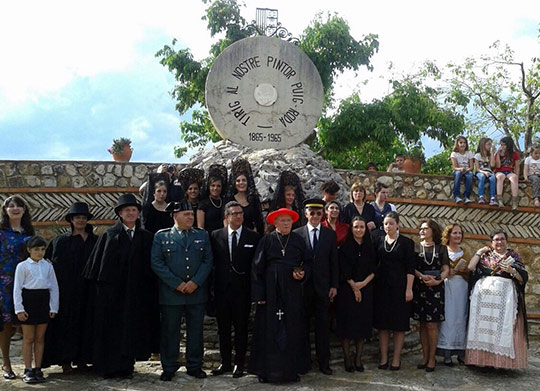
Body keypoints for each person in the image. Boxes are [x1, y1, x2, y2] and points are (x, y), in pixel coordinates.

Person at [83, 194, 159, 378]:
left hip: (135, 293)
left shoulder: (146, 237)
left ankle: (127, 366)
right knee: (111, 329)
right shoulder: (110, 235)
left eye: (134, 210)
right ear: (120, 213)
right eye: (127, 210)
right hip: (112, 294)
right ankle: (109, 367)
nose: (131, 213)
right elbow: (98, 267)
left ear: (138, 213)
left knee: (131, 328)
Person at [151, 201, 213, 381]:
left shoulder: (202, 235)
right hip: (171, 293)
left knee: (195, 331)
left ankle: (194, 365)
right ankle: (169, 366)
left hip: (196, 292)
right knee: (170, 331)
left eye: (192, 214)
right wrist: (177, 284)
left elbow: (207, 261)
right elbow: (156, 263)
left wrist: (195, 282)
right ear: (175, 216)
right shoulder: (161, 237)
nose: (190, 218)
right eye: (186, 214)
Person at [249, 208, 311, 383]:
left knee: (291, 329)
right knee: (269, 330)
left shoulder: (298, 240)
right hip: (270, 291)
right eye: (282, 221)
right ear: (275, 223)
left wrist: (303, 273)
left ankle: (291, 370)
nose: (286, 223)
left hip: (292, 290)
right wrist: (259, 294)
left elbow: (308, 262)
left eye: (288, 221)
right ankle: (267, 371)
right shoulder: (266, 241)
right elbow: (256, 268)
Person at [42, 202, 98, 373]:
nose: (80, 220)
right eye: (77, 217)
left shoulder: (96, 241)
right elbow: (49, 262)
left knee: (87, 324)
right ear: (71, 220)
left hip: (89, 291)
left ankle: (83, 360)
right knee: (66, 325)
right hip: (66, 292)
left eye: (83, 217)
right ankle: (65, 361)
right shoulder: (60, 241)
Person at [210, 201, 260, 378]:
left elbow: (256, 266)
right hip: (222, 291)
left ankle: (239, 363)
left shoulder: (253, 237)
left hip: (243, 292)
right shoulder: (215, 236)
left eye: (240, 213)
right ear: (226, 217)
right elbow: (212, 264)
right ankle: (225, 362)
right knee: (223, 329)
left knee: (241, 328)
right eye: (234, 213)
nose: (238, 216)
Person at [466, 228, 528, 369]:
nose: (499, 242)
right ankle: (482, 360)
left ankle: (501, 363)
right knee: (484, 328)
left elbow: (522, 278)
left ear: (506, 241)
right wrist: (480, 251)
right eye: (496, 239)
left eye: (502, 239)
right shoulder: (485, 257)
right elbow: (470, 268)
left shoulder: (514, 257)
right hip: (484, 299)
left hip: (506, 298)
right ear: (491, 242)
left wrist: (511, 271)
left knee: (503, 329)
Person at [294, 198, 338, 375]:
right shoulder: (297, 233)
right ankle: (303, 363)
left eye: (318, 213)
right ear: (306, 214)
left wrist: (334, 285)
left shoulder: (329, 234)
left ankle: (324, 363)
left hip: (323, 287)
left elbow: (334, 262)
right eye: (311, 213)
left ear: (323, 214)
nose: (315, 216)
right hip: (303, 288)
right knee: (302, 327)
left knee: (323, 327)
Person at [13, 236, 59, 383]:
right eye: (36, 249)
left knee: (40, 338)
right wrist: (19, 309)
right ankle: (28, 369)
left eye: (42, 249)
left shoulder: (48, 266)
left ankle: (38, 368)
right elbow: (17, 289)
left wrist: (53, 307)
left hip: (43, 302)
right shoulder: (22, 266)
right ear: (29, 250)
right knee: (28, 338)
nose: (40, 252)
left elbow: (54, 287)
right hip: (29, 302)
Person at [373, 211, 415, 371]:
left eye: (391, 223)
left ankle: (396, 359)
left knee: (399, 325)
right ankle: (383, 357)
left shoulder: (406, 243)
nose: (388, 226)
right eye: (385, 223)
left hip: (400, 289)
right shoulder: (378, 241)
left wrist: (409, 289)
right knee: (383, 325)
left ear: (397, 224)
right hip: (382, 288)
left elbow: (410, 267)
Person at [335, 216, 376, 372]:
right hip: (347, 290)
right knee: (347, 326)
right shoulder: (345, 247)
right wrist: (354, 287)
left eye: (362, 227)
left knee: (362, 326)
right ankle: (347, 358)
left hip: (366, 289)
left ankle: (358, 358)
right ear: (351, 229)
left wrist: (362, 285)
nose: (359, 230)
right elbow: (343, 270)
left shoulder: (369, 247)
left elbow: (374, 269)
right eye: (356, 227)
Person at [1, 195, 34, 381]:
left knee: (26, 324)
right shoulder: (1, 232)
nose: (15, 208)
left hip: (26, 283)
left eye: (19, 205)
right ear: (5, 211)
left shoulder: (28, 232)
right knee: (6, 326)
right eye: (11, 206)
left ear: (24, 210)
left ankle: (29, 366)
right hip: (4, 283)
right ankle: (6, 364)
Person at [412, 219, 450, 372]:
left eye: (425, 228)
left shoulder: (441, 249)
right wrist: (421, 276)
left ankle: (432, 358)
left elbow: (446, 269)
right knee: (422, 323)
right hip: (420, 286)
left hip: (435, 289)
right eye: (420, 228)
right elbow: (412, 268)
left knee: (432, 324)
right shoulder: (415, 247)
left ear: (433, 231)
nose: (422, 231)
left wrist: (438, 281)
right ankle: (424, 356)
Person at [436, 224, 469, 366]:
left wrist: (465, 270)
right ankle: (446, 353)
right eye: (455, 233)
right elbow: (437, 268)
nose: (458, 236)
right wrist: (447, 272)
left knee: (461, 318)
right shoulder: (443, 251)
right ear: (448, 235)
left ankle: (461, 352)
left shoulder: (465, 252)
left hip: (462, 287)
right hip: (447, 287)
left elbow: (472, 271)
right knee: (448, 318)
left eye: (460, 233)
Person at [226, 158, 264, 235]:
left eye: (244, 180)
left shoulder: (253, 199)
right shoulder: (229, 200)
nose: (241, 183)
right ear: (234, 183)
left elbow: (258, 220)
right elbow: (226, 220)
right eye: (238, 181)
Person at [197, 164, 228, 234]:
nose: (215, 188)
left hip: (223, 238)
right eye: (213, 185)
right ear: (208, 187)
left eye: (218, 186)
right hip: (208, 238)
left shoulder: (225, 202)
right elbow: (200, 228)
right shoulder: (203, 204)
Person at [494, 136, 520, 210]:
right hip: (500, 171)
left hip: (509, 171)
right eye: (501, 145)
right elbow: (498, 165)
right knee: (500, 177)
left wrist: (517, 176)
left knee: (514, 177)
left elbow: (517, 166)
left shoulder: (515, 154)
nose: (502, 147)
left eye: (504, 145)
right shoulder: (498, 153)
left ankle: (515, 202)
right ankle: (499, 199)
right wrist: (498, 154)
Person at [450, 135, 474, 204]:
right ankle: (456, 195)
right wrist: (460, 169)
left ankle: (466, 196)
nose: (463, 144)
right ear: (457, 144)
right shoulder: (454, 154)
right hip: (457, 170)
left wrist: (467, 170)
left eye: (464, 143)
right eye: (461, 142)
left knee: (470, 175)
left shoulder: (469, 153)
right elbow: (454, 167)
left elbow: (471, 167)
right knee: (458, 174)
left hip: (467, 170)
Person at [474, 137, 497, 205]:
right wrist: (484, 172)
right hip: (480, 172)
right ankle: (481, 196)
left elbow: (492, 165)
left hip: (489, 172)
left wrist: (492, 152)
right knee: (482, 177)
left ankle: (492, 197)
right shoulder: (477, 155)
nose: (490, 146)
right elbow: (477, 169)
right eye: (488, 144)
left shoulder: (489, 156)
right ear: (483, 145)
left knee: (493, 178)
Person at [523, 143, 540, 207]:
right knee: (536, 179)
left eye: (539, 153)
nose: (537, 155)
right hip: (532, 175)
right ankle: (536, 198)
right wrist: (525, 177)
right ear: (531, 153)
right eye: (535, 153)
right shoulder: (528, 159)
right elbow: (525, 169)